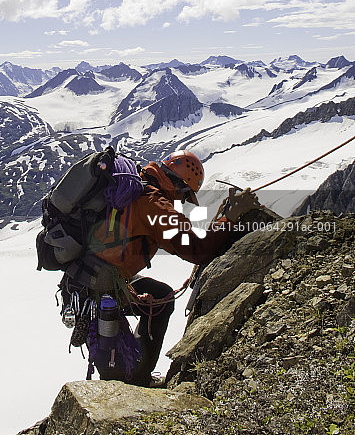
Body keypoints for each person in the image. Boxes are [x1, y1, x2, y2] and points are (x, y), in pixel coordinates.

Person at [80, 150, 260, 387]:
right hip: (102, 284)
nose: (182, 203)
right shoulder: (153, 202)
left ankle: (131, 369)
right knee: (160, 301)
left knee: (160, 296)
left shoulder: (139, 181)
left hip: (89, 275)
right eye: (185, 197)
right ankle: (136, 378)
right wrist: (231, 218)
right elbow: (196, 248)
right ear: (180, 187)